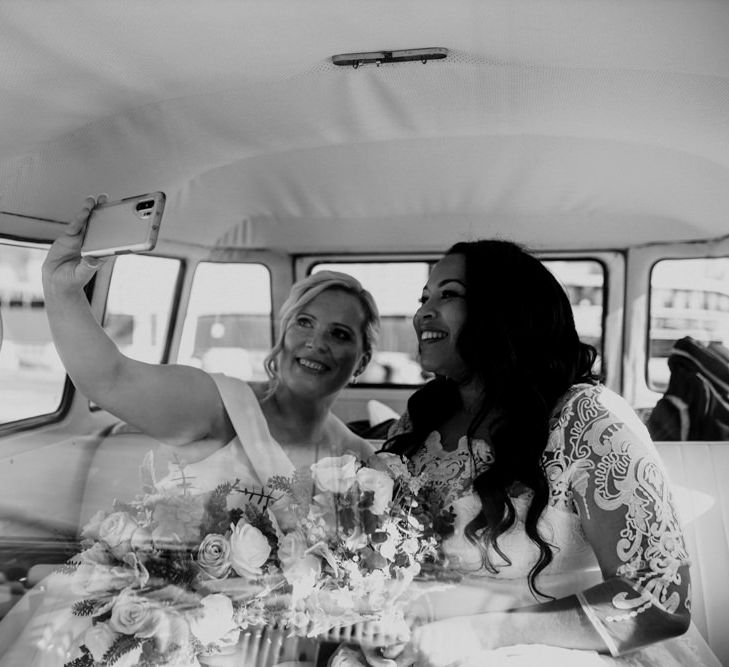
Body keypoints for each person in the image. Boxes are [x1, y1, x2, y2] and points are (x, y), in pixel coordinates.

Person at [0, 196, 380, 666]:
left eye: (340, 334)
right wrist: (60, 290)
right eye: (304, 322)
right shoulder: (222, 405)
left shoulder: (361, 464)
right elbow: (110, 378)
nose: (315, 342)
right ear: (282, 337)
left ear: (362, 361)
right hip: (122, 626)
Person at [368, 240, 720, 666]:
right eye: (424, 297)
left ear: (505, 310)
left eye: (449, 294)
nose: (424, 311)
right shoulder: (419, 419)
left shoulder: (586, 416)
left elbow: (659, 601)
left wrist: (483, 632)